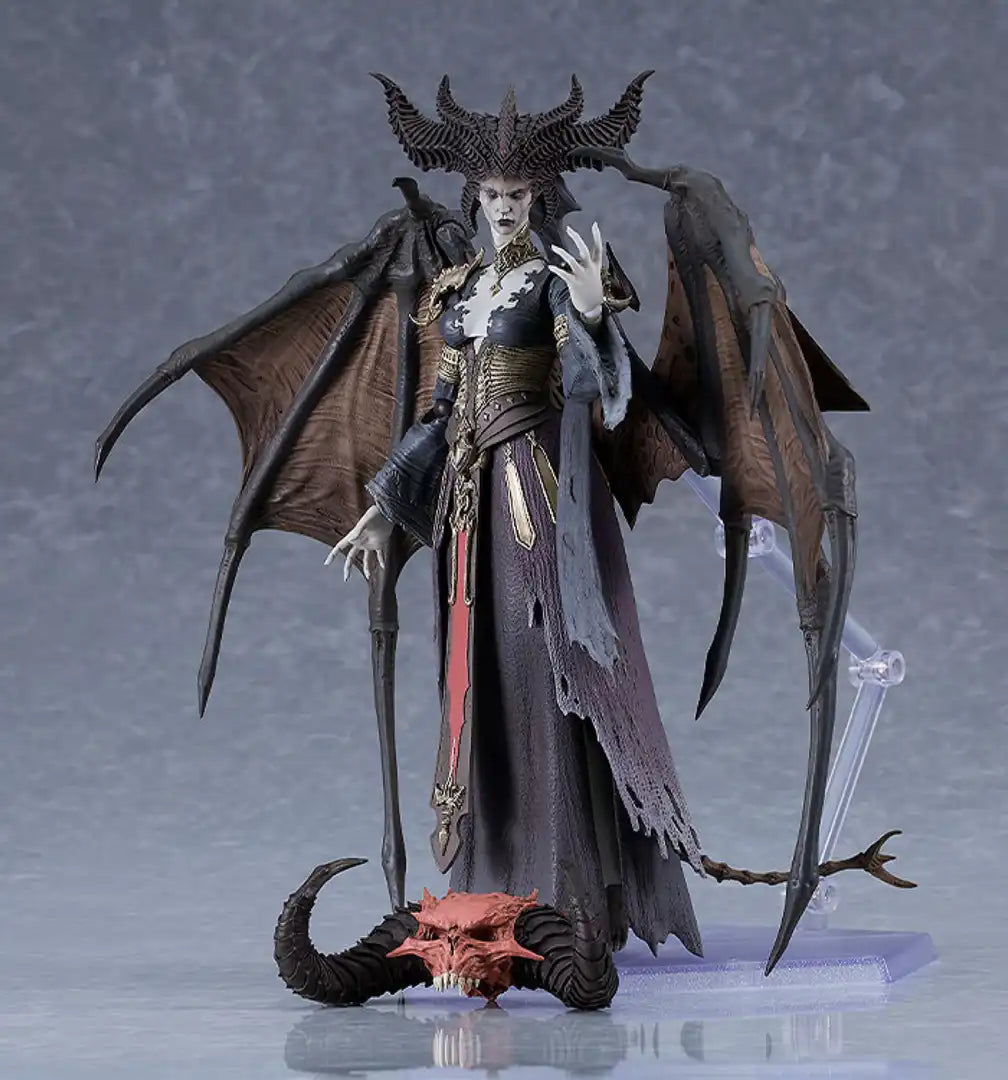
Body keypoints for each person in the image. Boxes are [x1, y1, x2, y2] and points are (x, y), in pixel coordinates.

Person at [326, 75, 705, 955]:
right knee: (479, 669)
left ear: (539, 197)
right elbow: (438, 414)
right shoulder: (459, 292)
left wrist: (590, 312)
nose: (504, 207)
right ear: (475, 196)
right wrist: (384, 509)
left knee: (546, 665)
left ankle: (568, 888)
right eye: (493, 193)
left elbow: (598, 391)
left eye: (519, 194)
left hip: (536, 494)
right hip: (467, 509)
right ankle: (490, 886)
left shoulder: (555, 281)